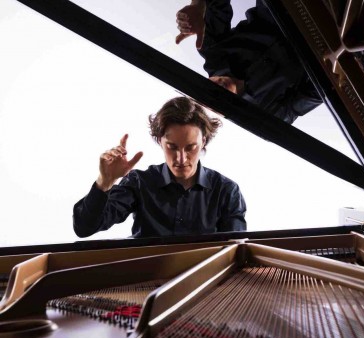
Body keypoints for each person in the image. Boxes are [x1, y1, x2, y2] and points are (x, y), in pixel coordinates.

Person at [73, 96, 247, 238]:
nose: (180, 158)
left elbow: (235, 250)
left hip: (208, 279)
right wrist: (105, 182)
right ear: (159, 141)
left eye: (190, 147)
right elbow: (84, 228)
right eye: (172, 147)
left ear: (204, 142)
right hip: (145, 276)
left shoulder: (226, 190)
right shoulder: (139, 182)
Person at [175, 0, 322, 124]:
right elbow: (318, 92)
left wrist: (199, 4)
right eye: (215, 101)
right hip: (323, 38)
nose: (216, 87)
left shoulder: (212, 50)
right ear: (222, 114)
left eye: (206, 90)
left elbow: (217, 2)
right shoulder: (269, 115)